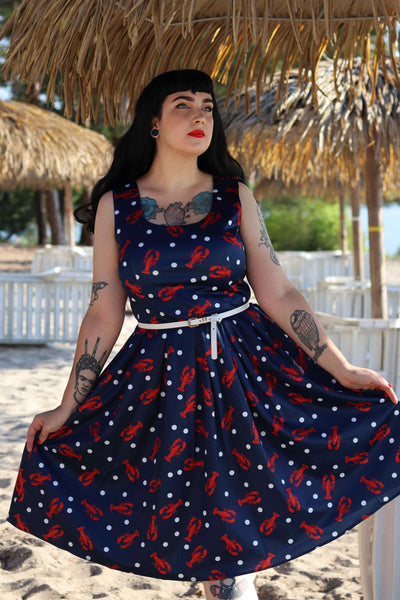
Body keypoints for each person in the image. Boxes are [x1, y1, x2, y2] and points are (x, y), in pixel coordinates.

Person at [7, 69, 400, 600]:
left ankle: (234, 581)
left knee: (251, 495)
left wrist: (343, 368)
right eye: (183, 106)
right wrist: (66, 407)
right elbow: (104, 312)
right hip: (158, 376)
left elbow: (279, 294)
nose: (199, 117)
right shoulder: (115, 206)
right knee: (186, 505)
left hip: (245, 364)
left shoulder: (235, 196)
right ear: (153, 123)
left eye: (208, 108)